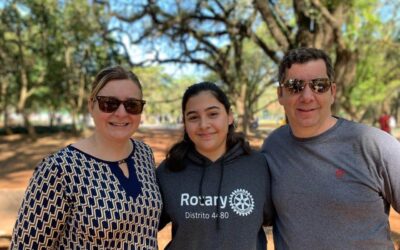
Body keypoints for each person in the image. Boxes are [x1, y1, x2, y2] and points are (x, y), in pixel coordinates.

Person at [261, 47, 400, 249]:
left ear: (332, 92)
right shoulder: (273, 146)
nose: (307, 96)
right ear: (280, 94)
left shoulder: (373, 145)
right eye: (294, 86)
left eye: (319, 85)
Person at [10, 66, 162, 249]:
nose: (122, 113)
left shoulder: (144, 154)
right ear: (91, 105)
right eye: (109, 103)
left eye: (132, 105)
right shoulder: (58, 168)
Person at [157, 82, 273, 249]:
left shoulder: (259, 166)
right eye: (193, 117)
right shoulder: (170, 170)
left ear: (230, 116)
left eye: (213, 114)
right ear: (185, 122)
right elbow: (142, 227)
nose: (204, 124)